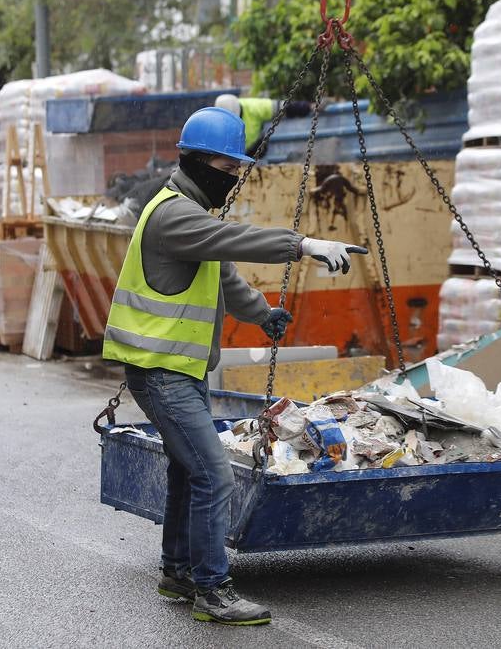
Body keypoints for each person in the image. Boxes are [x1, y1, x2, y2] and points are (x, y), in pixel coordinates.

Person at [103, 106, 366, 626]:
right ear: (198, 162)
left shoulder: (191, 214)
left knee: (188, 470)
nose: (233, 181)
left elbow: (222, 277)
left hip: (178, 368)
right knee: (214, 474)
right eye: (228, 171)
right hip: (160, 371)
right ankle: (213, 590)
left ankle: (178, 571)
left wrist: (262, 314)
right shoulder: (174, 214)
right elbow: (235, 241)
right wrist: (304, 245)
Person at [213, 94, 314, 158]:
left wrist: (307, 107)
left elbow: (282, 108)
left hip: (256, 152)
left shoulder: (254, 107)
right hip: (232, 156)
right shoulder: (214, 124)